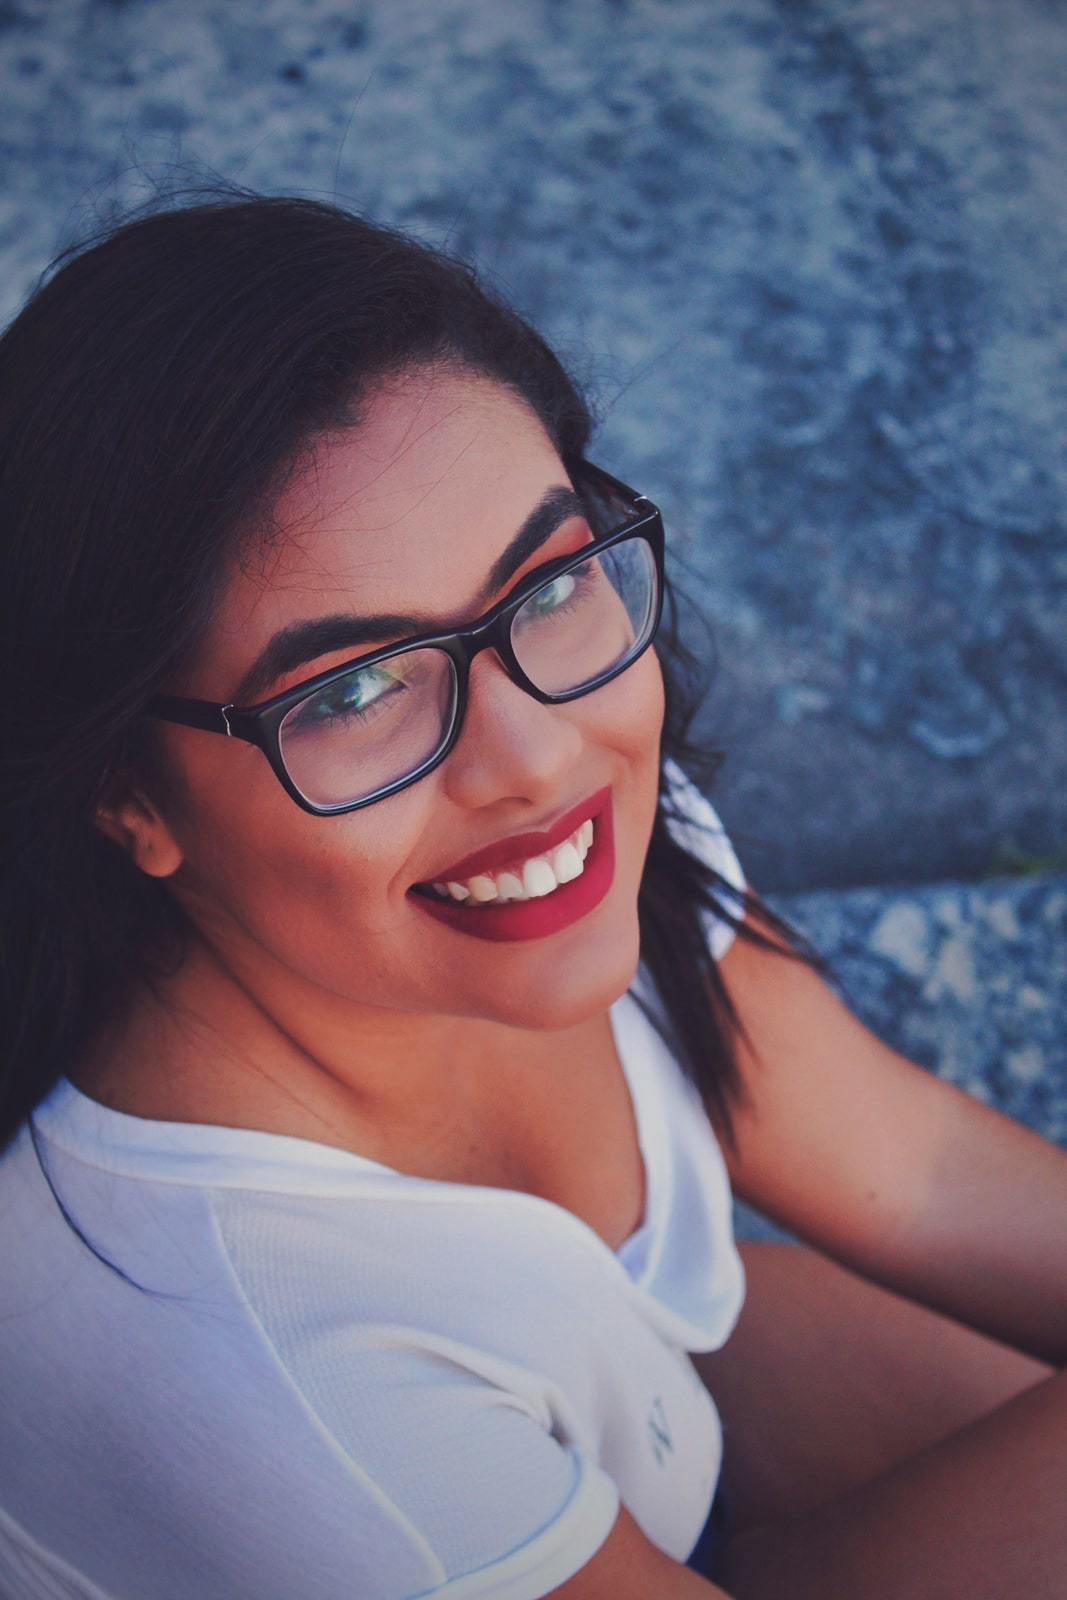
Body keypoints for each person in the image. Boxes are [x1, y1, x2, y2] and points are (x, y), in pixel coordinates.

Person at [0, 190, 1063, 1600]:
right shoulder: (270, 1381)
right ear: (127, 795)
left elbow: (917, 1176)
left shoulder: (580, 857)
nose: (538, 758)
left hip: (644, 1428)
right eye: (356, 687)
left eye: (551, 585)